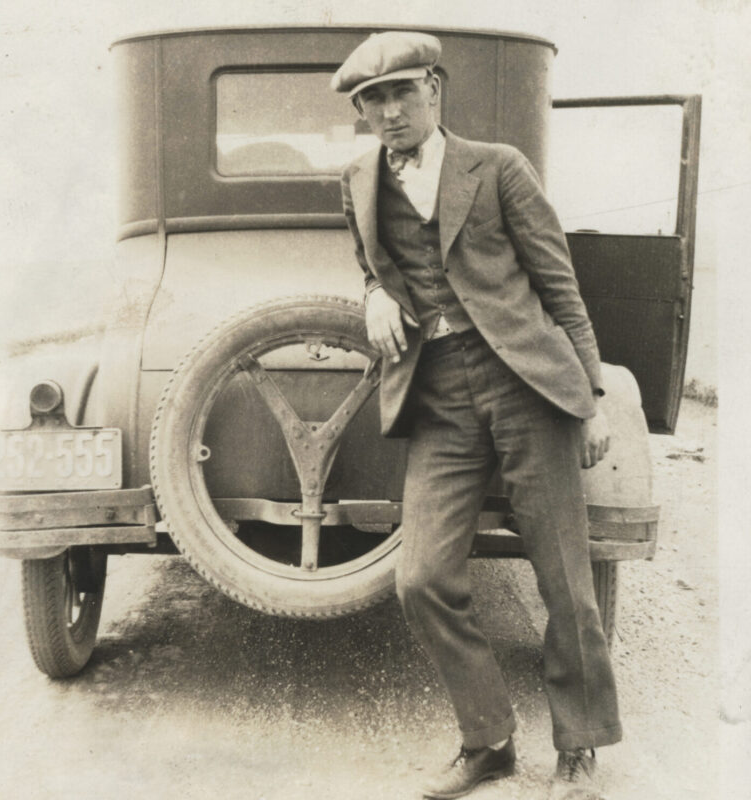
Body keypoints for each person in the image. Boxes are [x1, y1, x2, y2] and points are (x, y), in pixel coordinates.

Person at [331, 31, 620, 800]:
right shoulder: (357, 180)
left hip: (528, 386)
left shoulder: (498, 167)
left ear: (433, 90)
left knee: (565, 579)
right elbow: (369, 262)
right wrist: (374, 294)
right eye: (372, 101)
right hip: (437, 397)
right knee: (421, 577)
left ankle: (579, 747)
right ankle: (489, 740)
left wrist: (592, 398)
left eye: (401, 93)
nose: (389, 112)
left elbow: (559, 285)